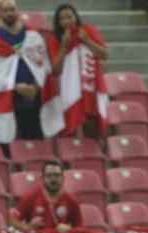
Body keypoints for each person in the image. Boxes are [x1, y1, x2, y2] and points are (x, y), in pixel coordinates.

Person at [0, 0, 53, 143]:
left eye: (12, 9)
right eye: (5, 10)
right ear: (0, 14)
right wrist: (16, 87)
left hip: (34, 93)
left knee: (34, 136)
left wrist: (34, 86)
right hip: (9, 95)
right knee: (10, 140)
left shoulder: (33, 35)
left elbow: (43, 64)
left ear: (17, 11)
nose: (9, 13)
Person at [43, 3, 108, 139]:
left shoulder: (88, 30)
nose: (67, 21)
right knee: (72, 128)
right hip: (69, 90)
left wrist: (86, 40)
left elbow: (104, 55)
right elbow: (55, 70)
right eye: (62, 18)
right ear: (58, 22)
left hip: (90, 85)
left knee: (92, 126)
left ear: (76, 17)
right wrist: (64, 47)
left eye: (70, 17)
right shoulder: (53, 39)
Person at [11, 161, 83, 233]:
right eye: (49, 175)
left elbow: (80, 230)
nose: (53, 179)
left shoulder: (71, 201)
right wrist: (28, 227)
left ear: (63, 178)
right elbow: (11, 221)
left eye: (57, 175)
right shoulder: (31, 197)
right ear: (42, 178)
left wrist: (69, 229)